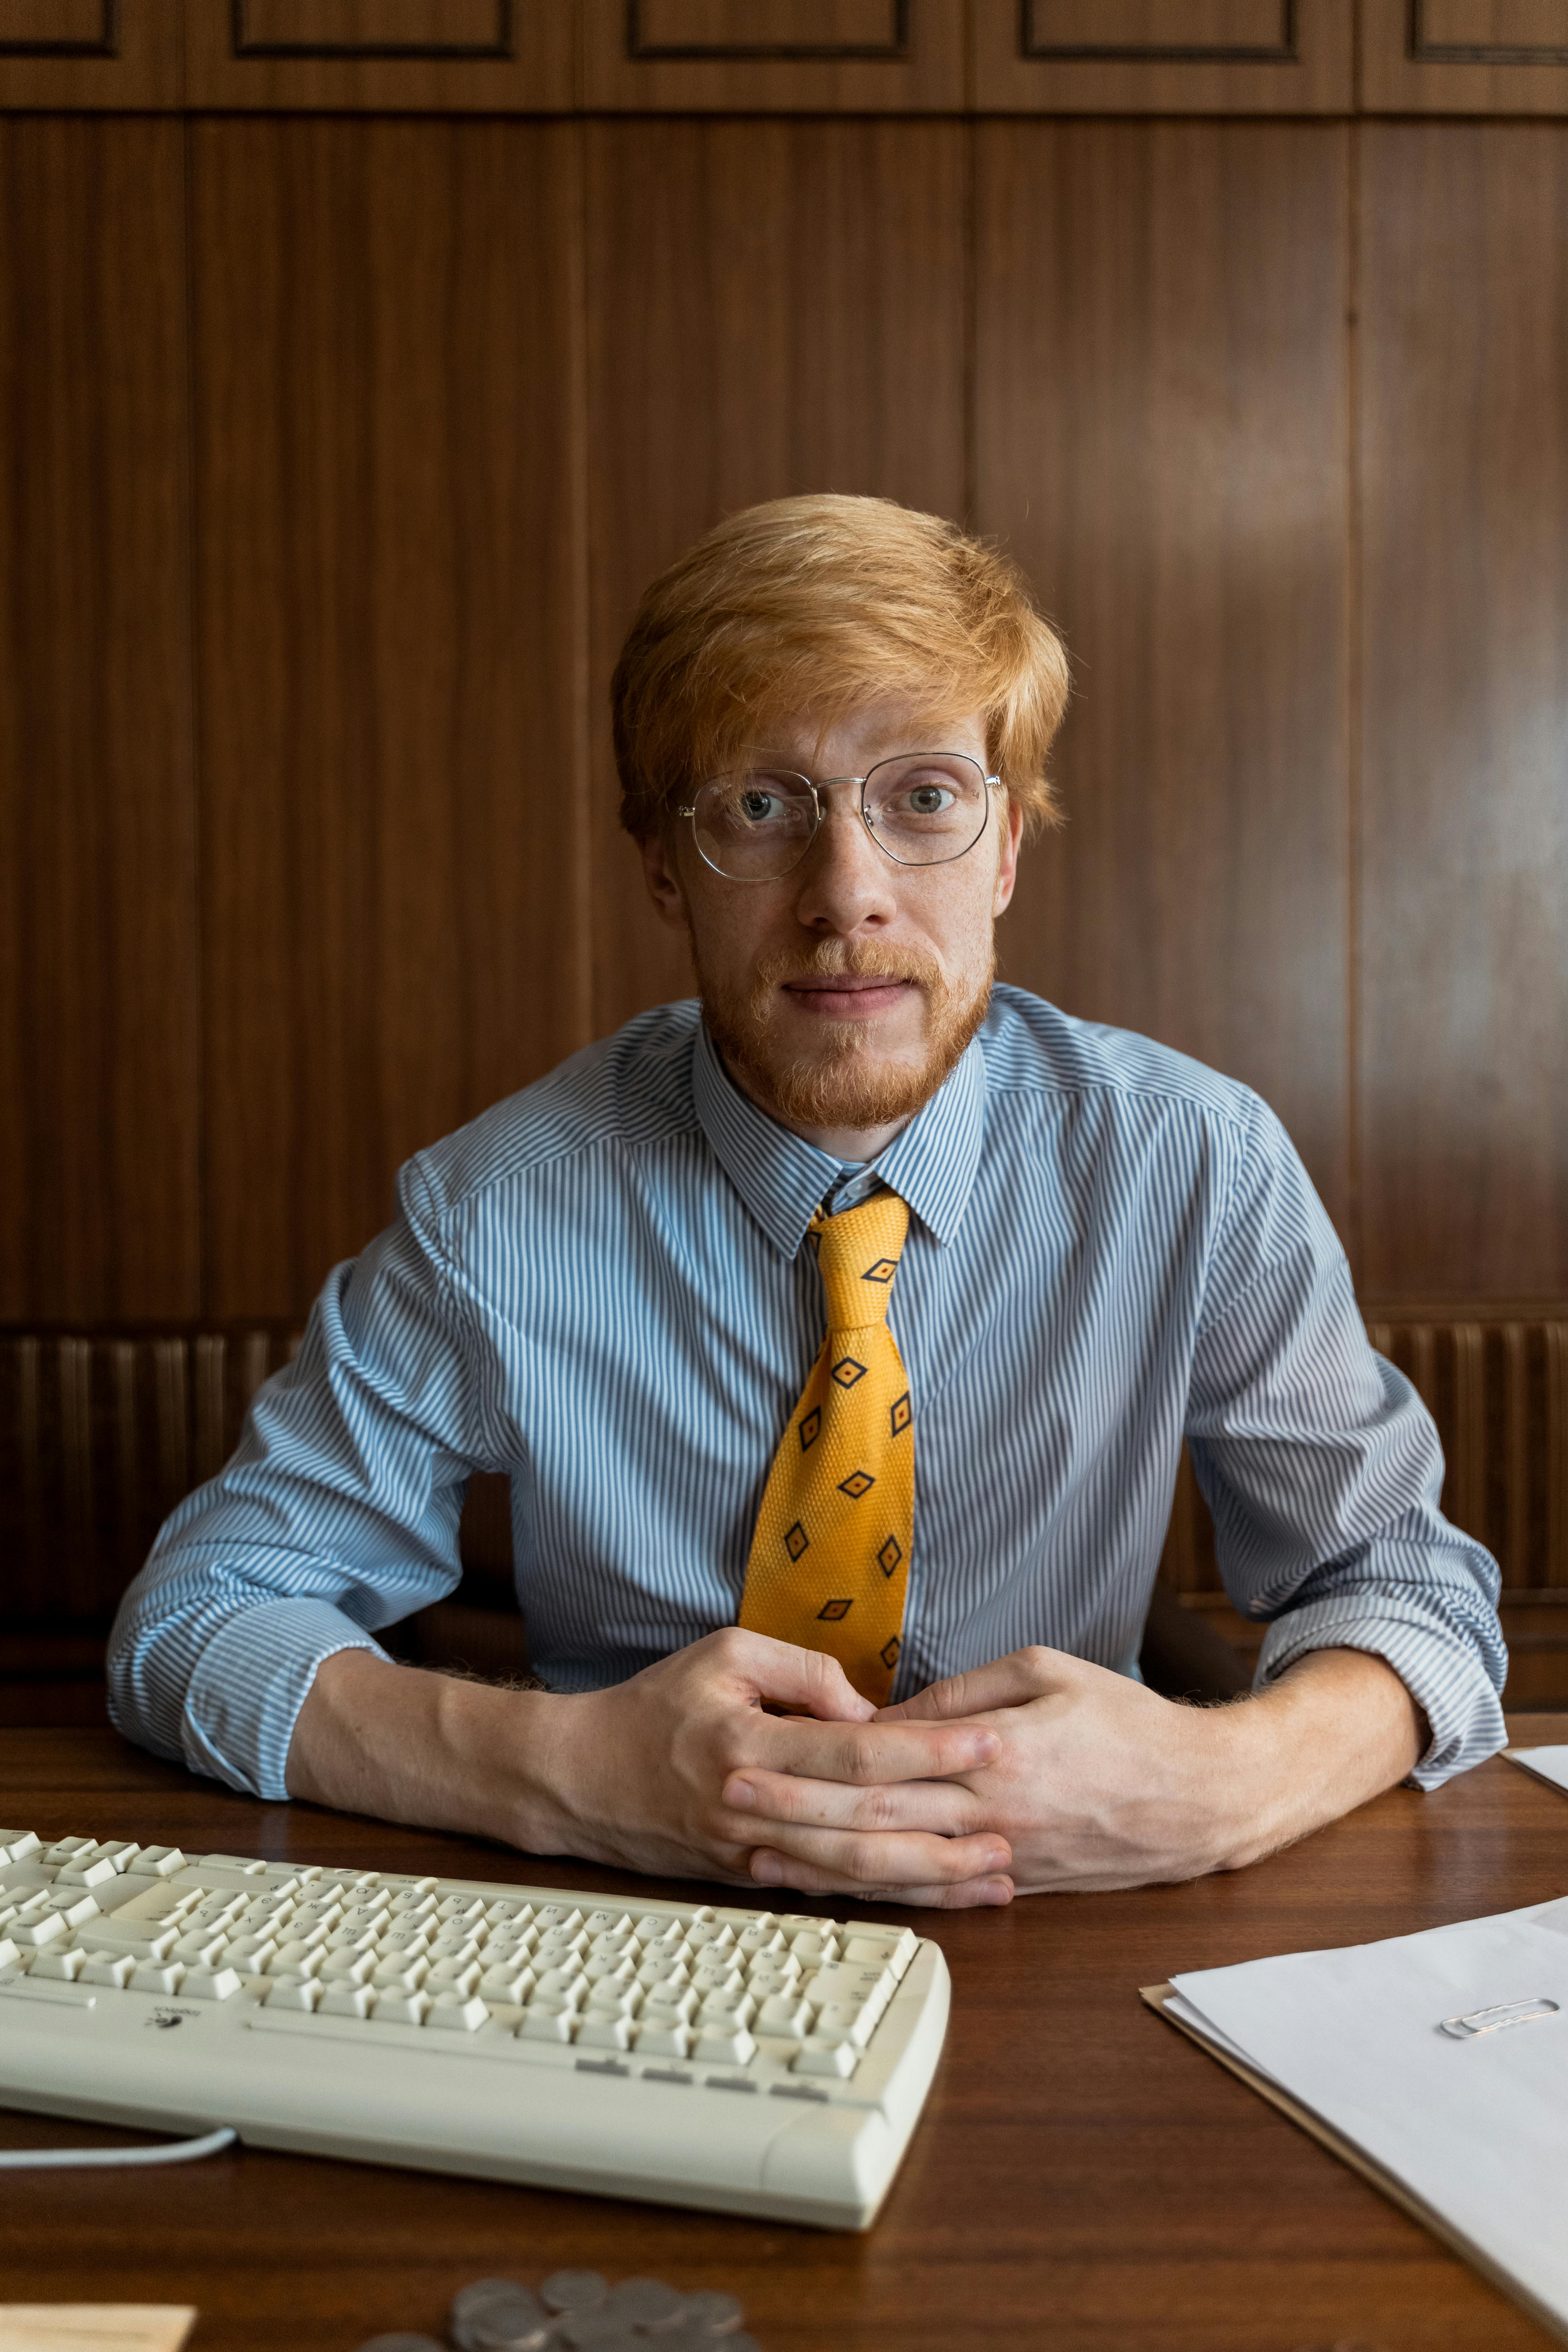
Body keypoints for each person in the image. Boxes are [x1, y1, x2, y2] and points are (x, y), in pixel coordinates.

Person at [108, 495, 1506, 1910]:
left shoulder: (1195, 1163)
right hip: (631, 1934)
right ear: (664, 866)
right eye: (762, 809)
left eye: (924, 800)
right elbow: (194, 1622)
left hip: (1073, 1924)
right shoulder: (494, 1211)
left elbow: (1412, 1594)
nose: (847, 897)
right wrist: (566, 1771)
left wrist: (1219, 1789)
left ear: (1006, 848)